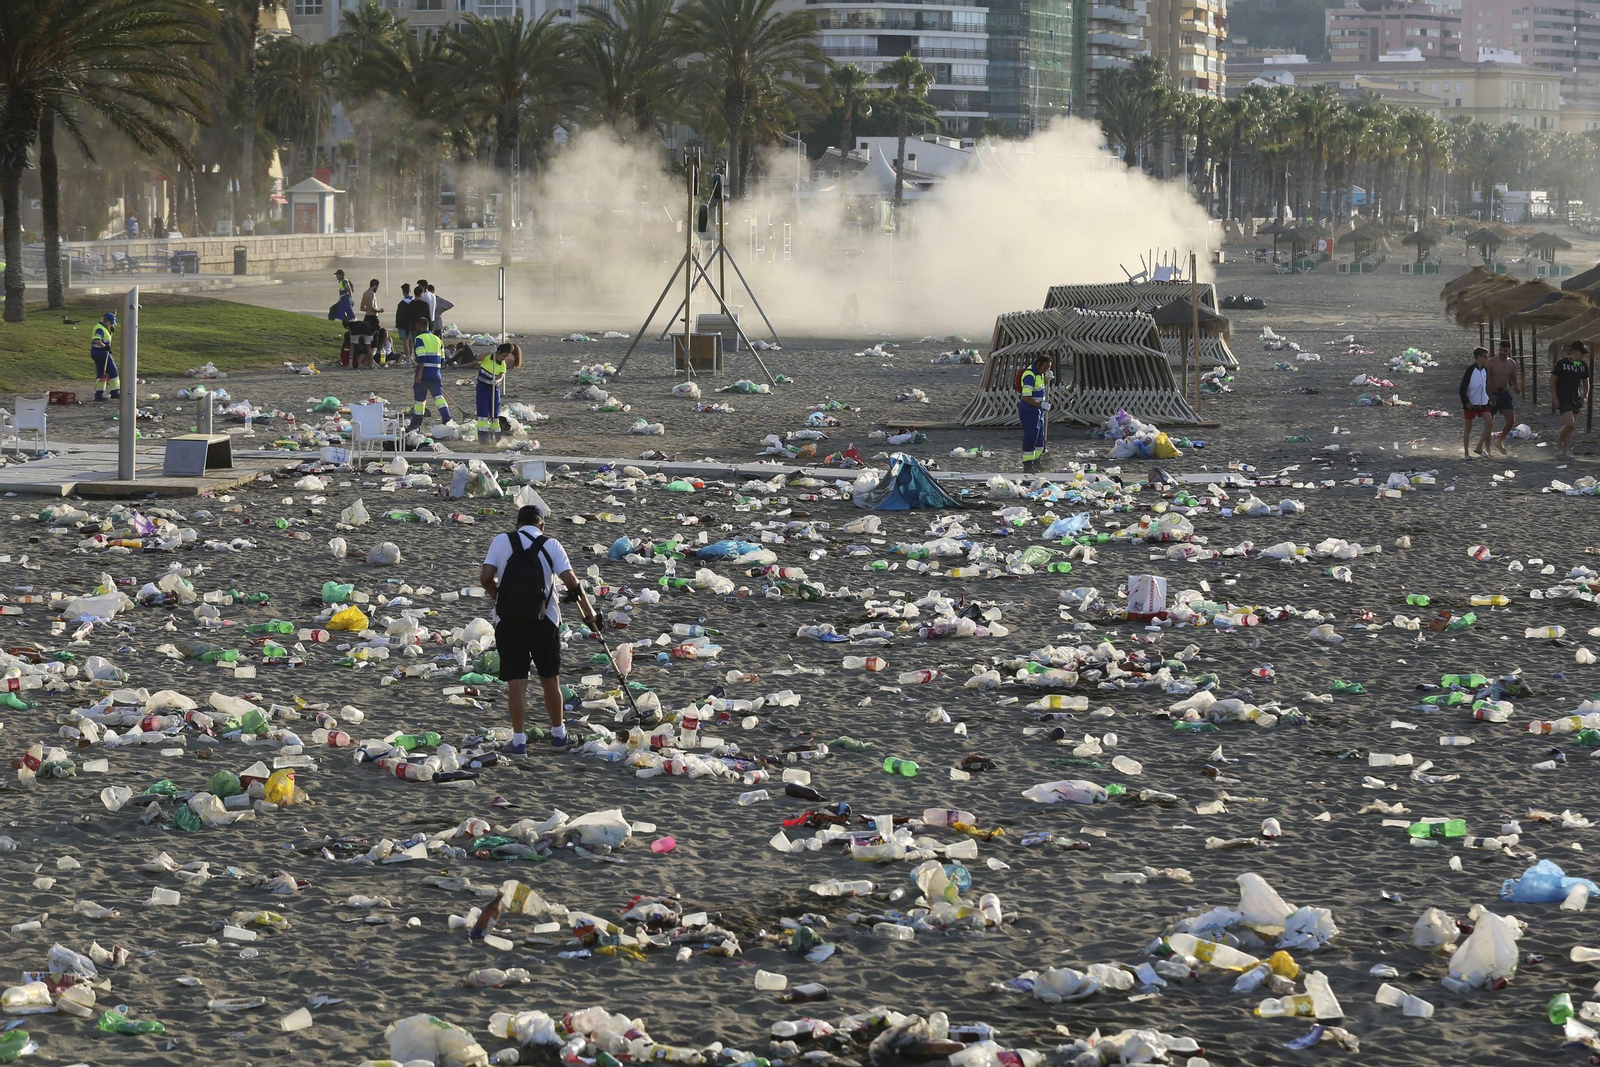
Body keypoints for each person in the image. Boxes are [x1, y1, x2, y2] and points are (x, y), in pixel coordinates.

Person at [479, 502, 599, 754]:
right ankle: (558, 735)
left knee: (516, 683)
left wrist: (499, 598)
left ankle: (519, 740)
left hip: (508, 621)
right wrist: (590, 614)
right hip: (544, 620)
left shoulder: (501, 541)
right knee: (550, 680)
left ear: (517, 525)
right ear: (541, 525)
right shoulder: (551, 544)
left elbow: (485, 578)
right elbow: (572, 583)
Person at [1551, 339, 1592, 461]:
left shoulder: (1582, 365)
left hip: (1576, 397)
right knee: (1569, 422)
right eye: (1582, 352)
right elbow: (1552, 380)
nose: (1584, 355)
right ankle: (1558, 444)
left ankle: (1565, 453)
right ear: (1575, 351)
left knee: (1572, 427)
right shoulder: (1562, 363)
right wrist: (1554, 397)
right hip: (1563, 396)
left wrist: (1585, 396)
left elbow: (1586, 383)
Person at [409, 326, 452, 430]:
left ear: (420, 327)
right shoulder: (438, 340)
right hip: (436, 373)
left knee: (420, 401)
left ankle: (416, 424)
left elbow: (422, 358)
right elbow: (442, 360)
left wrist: (419, 374)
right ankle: (447, 419)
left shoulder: (419, 339)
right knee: (438, 398)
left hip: (424, 373)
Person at [476, 342, 519, 444]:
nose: (504, 359)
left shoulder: (502, 364)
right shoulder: (487, 358)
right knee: (483, 414)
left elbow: (501, 376)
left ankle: (497, 438)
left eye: (506, 357)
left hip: (494, 390)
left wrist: (497, 381)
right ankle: (484, 439)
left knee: (495, 415)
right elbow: (478, 358)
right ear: (498, 352)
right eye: (503, 356)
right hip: (482, 388)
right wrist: (489, 352)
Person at [1018, 353, 1050, 473]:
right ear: (1038, 364)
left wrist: (1047, 378)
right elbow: (1026, 397)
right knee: (1031, 436)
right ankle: (1028, 465)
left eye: (1048, 368)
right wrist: (1041, 404)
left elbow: (1040, 387)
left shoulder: (1040, 374)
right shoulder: (1029, 375)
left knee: (1039, 436)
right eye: (1045, 368)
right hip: (1029, 409)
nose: (1046, 370)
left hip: (1038, 409)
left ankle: (1037, 461)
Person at [1459, 346, 1493, 458]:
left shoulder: (1485, 370)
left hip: (1483, 402)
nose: (1486, 359)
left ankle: (1479, 447)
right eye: (1485, 356)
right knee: (1468, 427)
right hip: (1471, 403)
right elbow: (1462, 388)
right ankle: (1466, 453)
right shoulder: (1470, 370)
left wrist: (1490, 397)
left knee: (1489, 422)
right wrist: (1466, 402)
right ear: (1479, 357)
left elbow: (1485, 386)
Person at [1487, 338, 1518, 454]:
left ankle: (1499, 441)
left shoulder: (1511, 363)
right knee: (1489, 423)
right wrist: (1489, 394)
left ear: (1509, 351)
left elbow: (1512, 377)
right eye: (1500, 350)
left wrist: (1516, 386)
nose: (1502, 353)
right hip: (1492, 393)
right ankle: (1487, 448)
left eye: (1505, 351)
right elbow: (1486, 379)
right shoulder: (1491, 362)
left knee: (1510, 421)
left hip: (1504, 393)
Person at [89, 311, 120, 402]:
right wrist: (105, 347)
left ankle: (99, 394)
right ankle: (114, 392)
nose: (111, 325)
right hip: (101, 353)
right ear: (107, 321)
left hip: (98, 352)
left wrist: (110, 331)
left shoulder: (102, 328)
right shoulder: (100, 329)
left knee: (101, 374)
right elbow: (96, 340)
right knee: (113, 371)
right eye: (111, 323)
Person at [359, 278, 384, 365]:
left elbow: (362, 307)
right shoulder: (371, 294)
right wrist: (379, 310)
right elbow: (370, 306)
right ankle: (370, 360)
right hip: (373, 319)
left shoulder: (365, 293)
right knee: (374, 342)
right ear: (375, 285)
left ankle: (367, 359)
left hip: (366, 317)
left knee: (367, 340)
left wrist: (369, 310)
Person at [394, 283, 414, 358]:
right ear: (410, 290)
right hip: (412, 324)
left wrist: (398, 325)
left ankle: (407, 358)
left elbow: (399, 316)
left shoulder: (402, 304)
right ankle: (411, 357)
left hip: (403, 325)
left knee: (406, 342)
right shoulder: (414, 301)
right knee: (411, 342)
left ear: (403, 291)